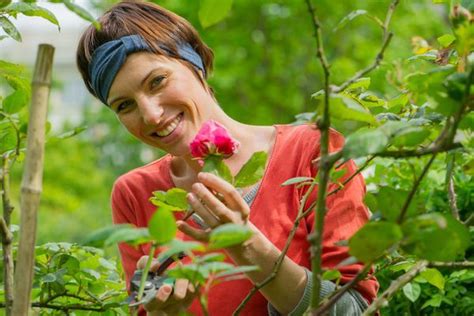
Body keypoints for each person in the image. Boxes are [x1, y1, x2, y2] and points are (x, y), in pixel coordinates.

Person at [76, 1, 378, 315]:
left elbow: (357, 309)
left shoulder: (311, 151)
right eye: (124, 105)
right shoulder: (135, 193)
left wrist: (245, 244)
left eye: (157, 82)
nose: (150, 116)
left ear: (195, 64)